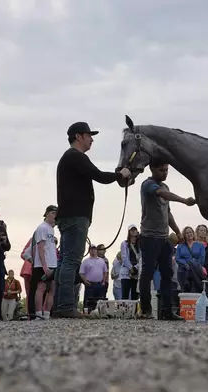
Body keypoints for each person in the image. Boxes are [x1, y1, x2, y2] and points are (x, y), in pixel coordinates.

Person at [54, 121, 131, 318]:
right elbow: (98, 175)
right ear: (78, 136)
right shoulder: (75, 156)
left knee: (66, 262)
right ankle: (65, 306)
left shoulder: (70, 158)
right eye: (89, 135)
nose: (92, 139)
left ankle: (61, 305)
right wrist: (119, 174)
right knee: (71, 261)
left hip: (70, 216)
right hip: (75, 216)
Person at [137, 159, 196, 320]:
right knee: (147, 273)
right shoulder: (148, 185)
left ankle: (167, 310)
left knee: (168, 274)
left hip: (164, 238)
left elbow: (167, 212)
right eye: (161, 170)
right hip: (149, 237)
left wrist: (177, 230)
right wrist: (184, 200)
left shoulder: (166, 187)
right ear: (152, 169)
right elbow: (161, 194)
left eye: (167, 170)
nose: (165, 173)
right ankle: (145, 309)